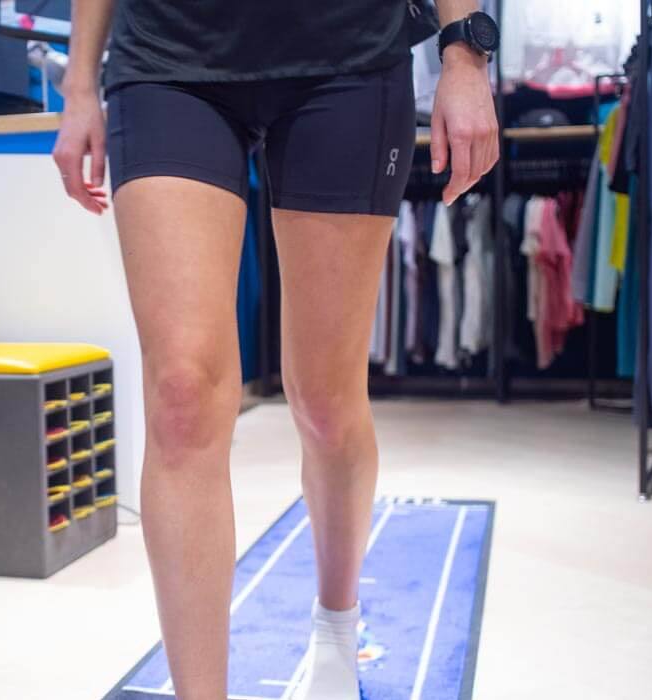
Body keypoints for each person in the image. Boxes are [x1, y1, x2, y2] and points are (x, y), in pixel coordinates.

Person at [52, 1, 499, 698]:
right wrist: (80, 81)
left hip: (347, 50)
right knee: (181, 395)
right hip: (169, 54)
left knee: (326, 401)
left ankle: (337, 628)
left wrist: (464, 50)